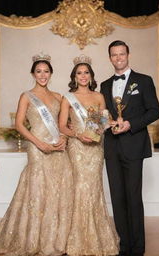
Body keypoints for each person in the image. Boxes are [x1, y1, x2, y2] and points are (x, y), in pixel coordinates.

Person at [0, 53, 73, 256]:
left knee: (57, 191)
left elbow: (65, 125)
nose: (42, 75)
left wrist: (64, 138)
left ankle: (55, 240)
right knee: (37, 191)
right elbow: (19, 124)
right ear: (33, 74)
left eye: (46, 71)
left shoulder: (59, 97)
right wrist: (39, 144)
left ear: (51, 74)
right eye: (39, 71)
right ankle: (34, 240)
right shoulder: (26, 96)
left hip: (58, 148)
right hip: (37, 147)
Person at [100, 40, 159, 256]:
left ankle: (137, 248)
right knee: (117, 198)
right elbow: (102, 115)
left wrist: (130, 124)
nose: (118, 58)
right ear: (110, 58)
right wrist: (102, 123)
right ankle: (123, 246)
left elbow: (154, 111)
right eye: (114, 55)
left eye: (122, 54)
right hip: (112, 148)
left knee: (134, 198)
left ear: (128, 55)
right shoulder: (104, 85)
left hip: (134, 146)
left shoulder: (143, 81)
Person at [59, 55, 119, 256]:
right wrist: (78, 134)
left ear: (91, 76)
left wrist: (105, 126)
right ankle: (75, 238)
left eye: (86, 72)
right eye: (79, 73)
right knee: (80, 188)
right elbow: (61, 126)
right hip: (77, 148)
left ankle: (97, 237)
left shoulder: (99, 96)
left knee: (94, 188)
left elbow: (103, 121)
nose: (83, 76)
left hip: (95, 148)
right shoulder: (67, 98)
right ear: (74, 77)